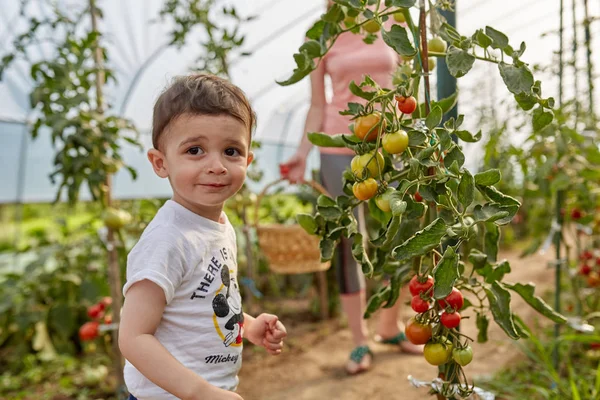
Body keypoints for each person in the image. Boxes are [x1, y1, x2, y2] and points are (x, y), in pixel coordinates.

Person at [118, 74, 287, 400]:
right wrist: (200, 392)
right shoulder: (167, 239)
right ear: (160, 162)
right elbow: (134, 337)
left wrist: (247, 326)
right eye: (195, 150)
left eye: (231, 151)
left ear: (248, 161)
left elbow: (205, 302)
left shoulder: (218, 225)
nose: (217, 165)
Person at [279, 2, 421, 375]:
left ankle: (390, 327)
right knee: (349, 239)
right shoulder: (321, 32)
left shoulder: (395, 19)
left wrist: (421, 141)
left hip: (390, 144)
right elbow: (316, 104)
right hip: (338, 146)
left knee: (400, 233)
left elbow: (407, 90)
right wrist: (301, 153)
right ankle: (359, 341)